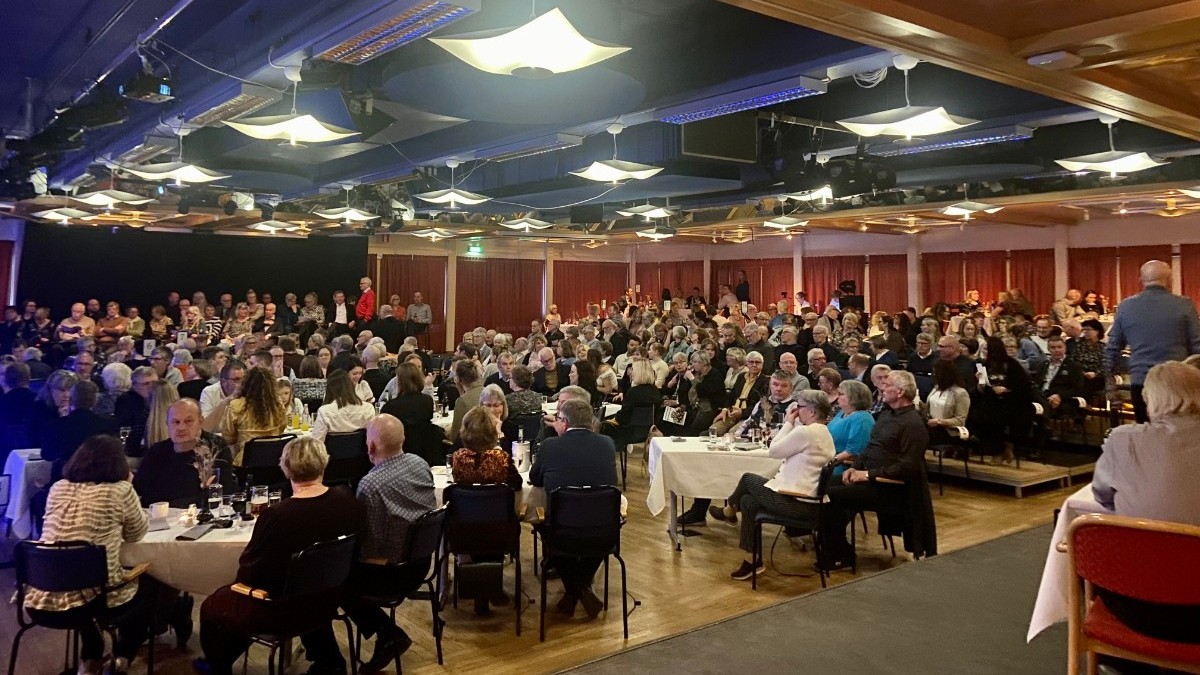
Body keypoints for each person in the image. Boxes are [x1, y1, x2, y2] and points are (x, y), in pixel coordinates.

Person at [198, 438, 365, 675]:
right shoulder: (346, 499)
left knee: (214, 604)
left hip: (284, 612)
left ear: (285, 468)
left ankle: (217, 666)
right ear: (325, 463)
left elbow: (250, 572)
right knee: (303, 586)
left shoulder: (278, 515)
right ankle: (330, 661)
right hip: (329, 598)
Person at [1090, 361, 1200, 644]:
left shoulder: (1123, 441)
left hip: (1134, 605)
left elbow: (1102, 496)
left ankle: (1119, 658)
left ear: (1151, 399)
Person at [23, 436, 148, 675]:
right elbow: (136, 533)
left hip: (41, 600)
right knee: (146, 585)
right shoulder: (120, 490)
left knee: (80, 582)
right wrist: (130, 486)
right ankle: (122, 657)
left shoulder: (58, 488)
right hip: (94, 604)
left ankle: (90, 659)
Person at [709, 389, 836, 579]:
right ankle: (752, 560)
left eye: (800, 407)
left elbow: (773, 450)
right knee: (748, 501)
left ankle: (729, 511)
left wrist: (788, 423)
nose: (797, 410)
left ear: (812, 411)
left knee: (748, 479)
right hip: (808, 502)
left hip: (799, 504)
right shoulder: (824, 432)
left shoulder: (806, 432)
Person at [823, 370, 932, 569]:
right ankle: (834, 548)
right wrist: (854, 467)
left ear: (900, 392)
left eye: (887, 385)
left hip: (890, 488)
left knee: (830, 496)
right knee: (822, 485)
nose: (881, 388)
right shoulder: (886, 415)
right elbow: (869, 448)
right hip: (871, 479)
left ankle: (840, 554)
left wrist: (866, 474)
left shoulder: (913, 424)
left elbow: (907, 466)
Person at [530, 398, 618, 616]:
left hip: (562, 534)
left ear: (565, 423)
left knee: (544, 526)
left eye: (558, 419)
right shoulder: (607, 443)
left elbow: (535, 478)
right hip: (605, 532)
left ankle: (574, 590)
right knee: (587, 534)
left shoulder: (550, 446)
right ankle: (581, 588)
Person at [1105, 260, 1200, 423]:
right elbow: (1197, 348)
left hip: (1141, 381)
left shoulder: (1126, 307)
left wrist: (1110, 386)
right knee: (1180, 433)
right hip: (1178, 383)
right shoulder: (1185, 305)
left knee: (1147, 431)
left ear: (1141, 280)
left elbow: (1112, 350)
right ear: (1169, 279)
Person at [450, 407, 523, 614]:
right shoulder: (501, 459)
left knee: (479, 523)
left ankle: (482, 592)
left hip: (463, 531)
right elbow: (517, 484)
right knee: (495, 523)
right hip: (500, 532)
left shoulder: (458, 459)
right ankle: (492, 588)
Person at [134, 398, 234, 508]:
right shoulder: (157, 451)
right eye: (176, 422)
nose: (181, 428)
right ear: (167, 424)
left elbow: (222, 491)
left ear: (201, 421)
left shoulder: (215, 447)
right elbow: (141, 491)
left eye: (188, 421)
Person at [42, 381, 119, 480]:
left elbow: (47, 455)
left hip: (65, 478)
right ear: (95, 400)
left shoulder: (56, 425)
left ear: (71, 400)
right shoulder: (109, 424)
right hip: (99, 479)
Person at [976, 336, 1034, 464]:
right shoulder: (983, 365)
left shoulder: (1011, 364)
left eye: (987, 349)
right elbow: (981, 390)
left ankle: (1002, 448)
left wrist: (1006, 390)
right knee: (978, 416)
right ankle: (999, 448)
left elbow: (1023, 387)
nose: (985, 352)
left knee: (1000, 417)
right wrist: (981, 383)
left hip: (1012, 400)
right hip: (991, 400)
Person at [219, 367, 287, 464]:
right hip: (274, 459)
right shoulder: (277, 405)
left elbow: (228, 438)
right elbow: (282, 428)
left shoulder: (236, 406)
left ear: (246, 384)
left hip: (246, 461)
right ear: (272, 386)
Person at [311, 369, 376, 443]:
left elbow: (316, 443)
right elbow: (373, 438)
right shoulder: (368, 409)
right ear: (351, 386)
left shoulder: (324, 411)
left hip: (332, 450)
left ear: (329, 390)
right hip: (362, 450)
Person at [924, 358, 971, 456]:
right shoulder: (936, 388)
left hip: (948, 431)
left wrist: (939, 421)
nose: (933, 375)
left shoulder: (960, 393)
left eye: (935, 373)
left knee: (918, 434)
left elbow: (960, 421)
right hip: (931, 426)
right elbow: (928, 409)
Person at [1031, 336, 1085, 420]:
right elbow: (1036, 383)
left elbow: (1078, 388)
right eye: (1053, 348)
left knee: (1043, 404)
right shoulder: (1043, 364)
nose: (1057, 350)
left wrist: (1060, 396)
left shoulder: (1074, 366)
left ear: (1065, 348)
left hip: (1060, 397)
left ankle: (1043, 426)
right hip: (1041, 395)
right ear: (1048, 349)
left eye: (1060, 347)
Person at [827, 380, 874, 478]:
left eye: (841, 394)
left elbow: (853, 452)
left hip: (842, 467)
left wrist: (829, 462)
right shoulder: (841, 413)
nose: (837, 397)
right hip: (829, 459)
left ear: (854, 397)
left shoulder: (862, 418)